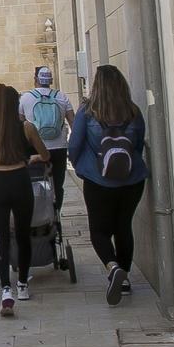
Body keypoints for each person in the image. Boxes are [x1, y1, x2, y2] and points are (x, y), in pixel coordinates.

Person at [69, 64, 150, 306]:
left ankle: (113, 267)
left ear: (97, 86)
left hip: (98, 181)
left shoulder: (88, 112)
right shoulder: (133, 112)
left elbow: (74, 144)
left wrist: (81, 165)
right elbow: (137, 147)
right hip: (132, 181)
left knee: (99, 231)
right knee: (123, 227)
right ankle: (124, 280)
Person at [0, 83, 50, 316]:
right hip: (20, 179)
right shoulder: (26, 127)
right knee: (23, 233)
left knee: (1, 235)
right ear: (15, 104)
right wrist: (29, 159)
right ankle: (22, 283)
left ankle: (6, 289)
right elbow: (46, 154)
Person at [19, 67, 76, 217]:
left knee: (35, 183)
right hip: (59, 147)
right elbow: (73, 123)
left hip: (34, 148)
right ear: (50, 81)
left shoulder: (25, 97)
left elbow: (19, 124)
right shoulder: (62, 97)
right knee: (57, 185)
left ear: (36, 79)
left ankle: (38, 215)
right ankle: (55, 214)